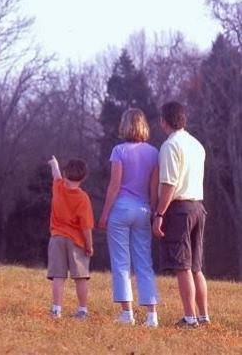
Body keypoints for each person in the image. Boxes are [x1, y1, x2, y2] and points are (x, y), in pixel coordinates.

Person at [98, 108, 160, 327]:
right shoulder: (154, 153)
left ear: (125, 125)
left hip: (122, 209)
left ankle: (127, 313)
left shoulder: (119, 151)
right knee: (144, 261)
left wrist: (104, 214)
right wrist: (154, 213)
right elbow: (154, 189)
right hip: (144, 209)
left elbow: (114, 186)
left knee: (121, 261)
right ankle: (152, 315)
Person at [152, 101, 209, 329]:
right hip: (198, 206)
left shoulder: (170, 146)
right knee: (196, 266)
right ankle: (203, 316)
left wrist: (159, 213)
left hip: (179, 210)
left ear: (163, 121)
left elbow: (169, 184)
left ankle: (189, 318)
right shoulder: (197, 144)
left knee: (182, 266)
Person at [46, 156, 94, 320]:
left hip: (56, 238)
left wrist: (54, 164)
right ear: (84, 177)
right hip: (77, 241)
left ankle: (56, 309)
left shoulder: (58, 188)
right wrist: (89, 245)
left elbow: (56, 175)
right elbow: (86, 226)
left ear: (65, 174)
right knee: (80, 277)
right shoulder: (83, 198)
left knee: (58, 276)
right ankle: (82, 310)